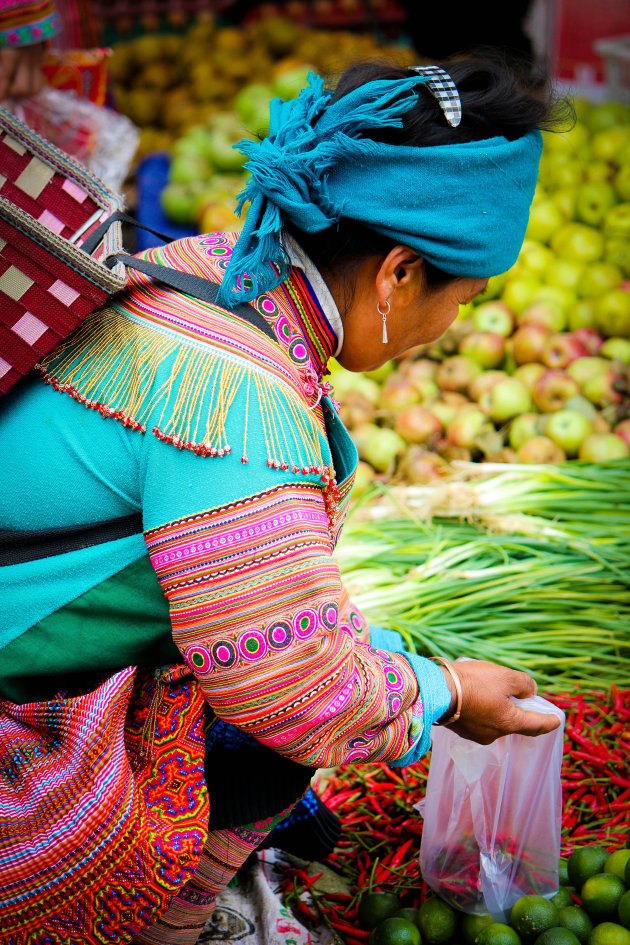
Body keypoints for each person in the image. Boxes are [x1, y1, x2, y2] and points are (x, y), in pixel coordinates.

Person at [0, 50, 567, 945]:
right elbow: (294, 692)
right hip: (20, 725)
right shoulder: (241, 406)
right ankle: (160, 928)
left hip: (45, 658)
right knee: (284, 731)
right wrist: (448, 691)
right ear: (399, 275)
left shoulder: (212, 267)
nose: (457, 320)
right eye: (469, 295)